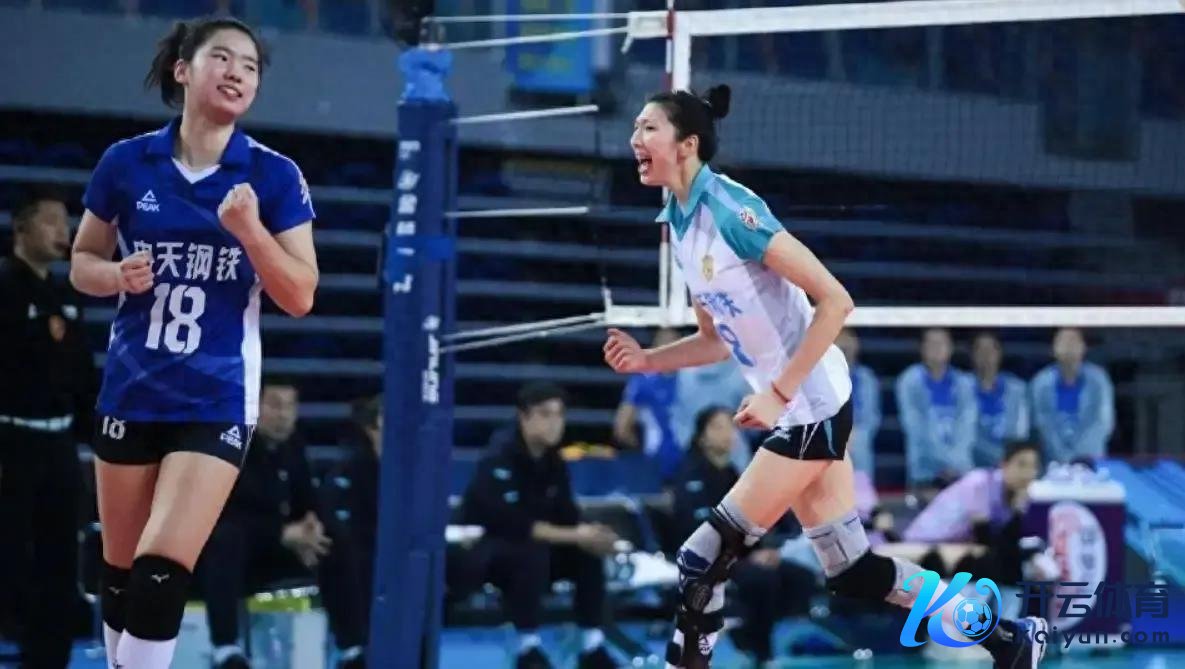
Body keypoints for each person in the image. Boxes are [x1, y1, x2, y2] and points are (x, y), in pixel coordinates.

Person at [604, 85, 1046, 668]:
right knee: (854, 570)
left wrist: (777, 392)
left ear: (686, 144)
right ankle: (1008, 640)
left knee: (701, 560)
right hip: (802, 410)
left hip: (810, 408)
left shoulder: (733, 212)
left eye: (647, 128)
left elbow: (836, 302)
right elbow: (715, 340)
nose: (634, 139)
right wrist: (647, 361)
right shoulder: (681, 226)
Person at [68, 16, 318, 669]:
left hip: (215, 397)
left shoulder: (272, 176)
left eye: (250, 66)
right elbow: (81, 262)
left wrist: (250, 231)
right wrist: (113, 275)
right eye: (223, 58)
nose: (238, 73)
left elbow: (300, 295)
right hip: (132, 388)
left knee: (161, 568)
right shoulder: (126, 162)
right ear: (183, 70)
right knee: (121, 571)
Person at [195, 380, 366, 669]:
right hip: (228, 556)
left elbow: (308, 500)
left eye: (290, 406)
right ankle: (225, 648)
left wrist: (313, 528)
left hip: (276, 551)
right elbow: (221, 514)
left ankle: (351, 648)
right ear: (255, 407)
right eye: (275, 405)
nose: (283, 414)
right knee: (227, 538)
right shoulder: (230, 444)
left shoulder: (293, 446)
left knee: (335, 539)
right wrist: (281, 533)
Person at [453, 383, 619, 669]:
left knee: (587, 553)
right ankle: (527, 647)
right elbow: (512, 524)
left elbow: (567, 514)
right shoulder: (499, 456)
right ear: (524, 417)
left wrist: (594, 535)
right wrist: (575, 534)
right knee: (530, 552)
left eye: (560, 414)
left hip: (538, 551)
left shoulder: (554, 461)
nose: (555, 423)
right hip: (487, 552)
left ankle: (591, 645)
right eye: (545, 414)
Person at [0, 187, 98, 668]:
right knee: (12, 557)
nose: (64, 231)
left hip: (58, 445)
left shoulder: (65, 295)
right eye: (52, 221)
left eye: (67, 222)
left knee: (60, 561)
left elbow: (81, 374)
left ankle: (49, 660)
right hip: (11, 440)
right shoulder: (3, 288)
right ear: (21, 227)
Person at [671, 407, 818, 666]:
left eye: (731, 427)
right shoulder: (689, 474)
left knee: (800, 577)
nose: (727, 433)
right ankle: (761, 649)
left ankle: (750, 632)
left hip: (742, 555)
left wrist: (766, 551)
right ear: (701, 436)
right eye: (718, 427)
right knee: (762, 579)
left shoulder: (735, 474)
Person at [891, 441, 1042, 585]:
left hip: (959, 544)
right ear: (1004, 464)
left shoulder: (1020, 495)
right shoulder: (980, 482)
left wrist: (1018, 512)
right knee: (992, 560)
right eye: (1022, 465)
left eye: (1033, 466)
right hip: (926, 542)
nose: (1027, 473)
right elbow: (983, 535)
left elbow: (1009, 540)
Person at [895, 328, 977, 490]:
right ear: (922, 349)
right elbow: (914, 427)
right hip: (924, 470)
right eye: (931, 344)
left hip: (960, 469)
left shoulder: (964, 383)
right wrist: (944, 462)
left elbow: (967, 426)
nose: (937, 348)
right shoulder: (909, 381)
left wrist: (954, 463)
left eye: (941, 343)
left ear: (951, 348)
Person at [1029, 328, 1115, 464]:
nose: (1068, 347)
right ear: (1053, 349)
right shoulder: (1040, 382)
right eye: (1063, 342)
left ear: (1083, 348)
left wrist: (1081, 457)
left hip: (1091, 460)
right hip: (1053, 462)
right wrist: (1063, 457)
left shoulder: (1099, 379)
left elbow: (1103, 423)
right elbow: (1041, 425)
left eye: (1073, 341)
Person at [613, 326, 684, 481]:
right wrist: (641, 451)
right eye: (664, 343)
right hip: (654, 463)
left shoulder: (692, 380)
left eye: (673, 343)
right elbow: (622, 428)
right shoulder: (643, 381)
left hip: (689, 464)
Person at [970, 332, 1029, 468]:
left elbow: (1020, 434)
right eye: (981, 351)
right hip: (972, 466)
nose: (986, 356)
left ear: (999, 354)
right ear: (973, 356)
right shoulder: (963, 388)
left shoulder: (1017, 389)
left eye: (991, 350)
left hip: (1008, 465)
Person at [835, 328, 881, 479]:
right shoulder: (820, 376)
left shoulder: (867, 378)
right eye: (840, 339)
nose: (844, 344)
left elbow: (872, 418)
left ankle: (863, 487)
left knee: (861, 443)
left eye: (849, 339)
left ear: (857, 345)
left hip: (858, 442)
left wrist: (853, 435)